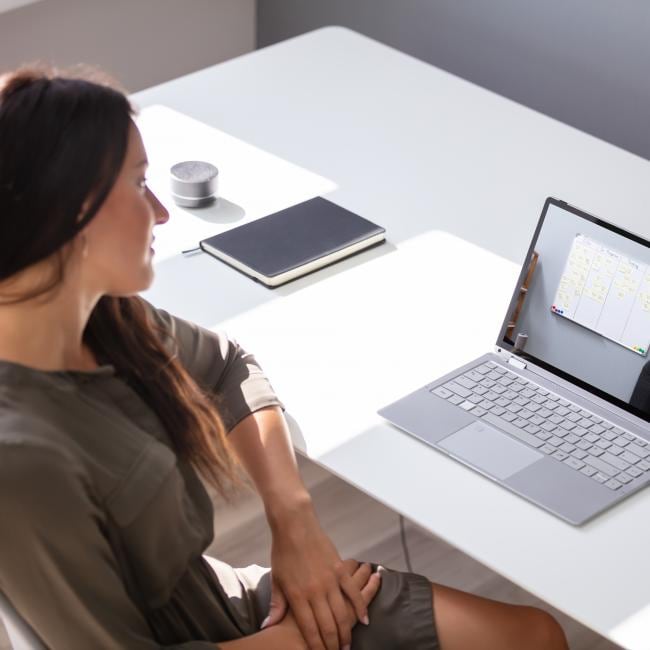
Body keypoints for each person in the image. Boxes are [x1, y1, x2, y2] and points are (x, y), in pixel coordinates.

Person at [0, 67, 569, 650]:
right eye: (139, 184)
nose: (162, 212)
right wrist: (308, 634)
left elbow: (227, 365)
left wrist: (294, 520)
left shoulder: (96, 316)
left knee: (536, 635)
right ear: (72, 209)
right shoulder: (22, 462)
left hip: (225, 609)